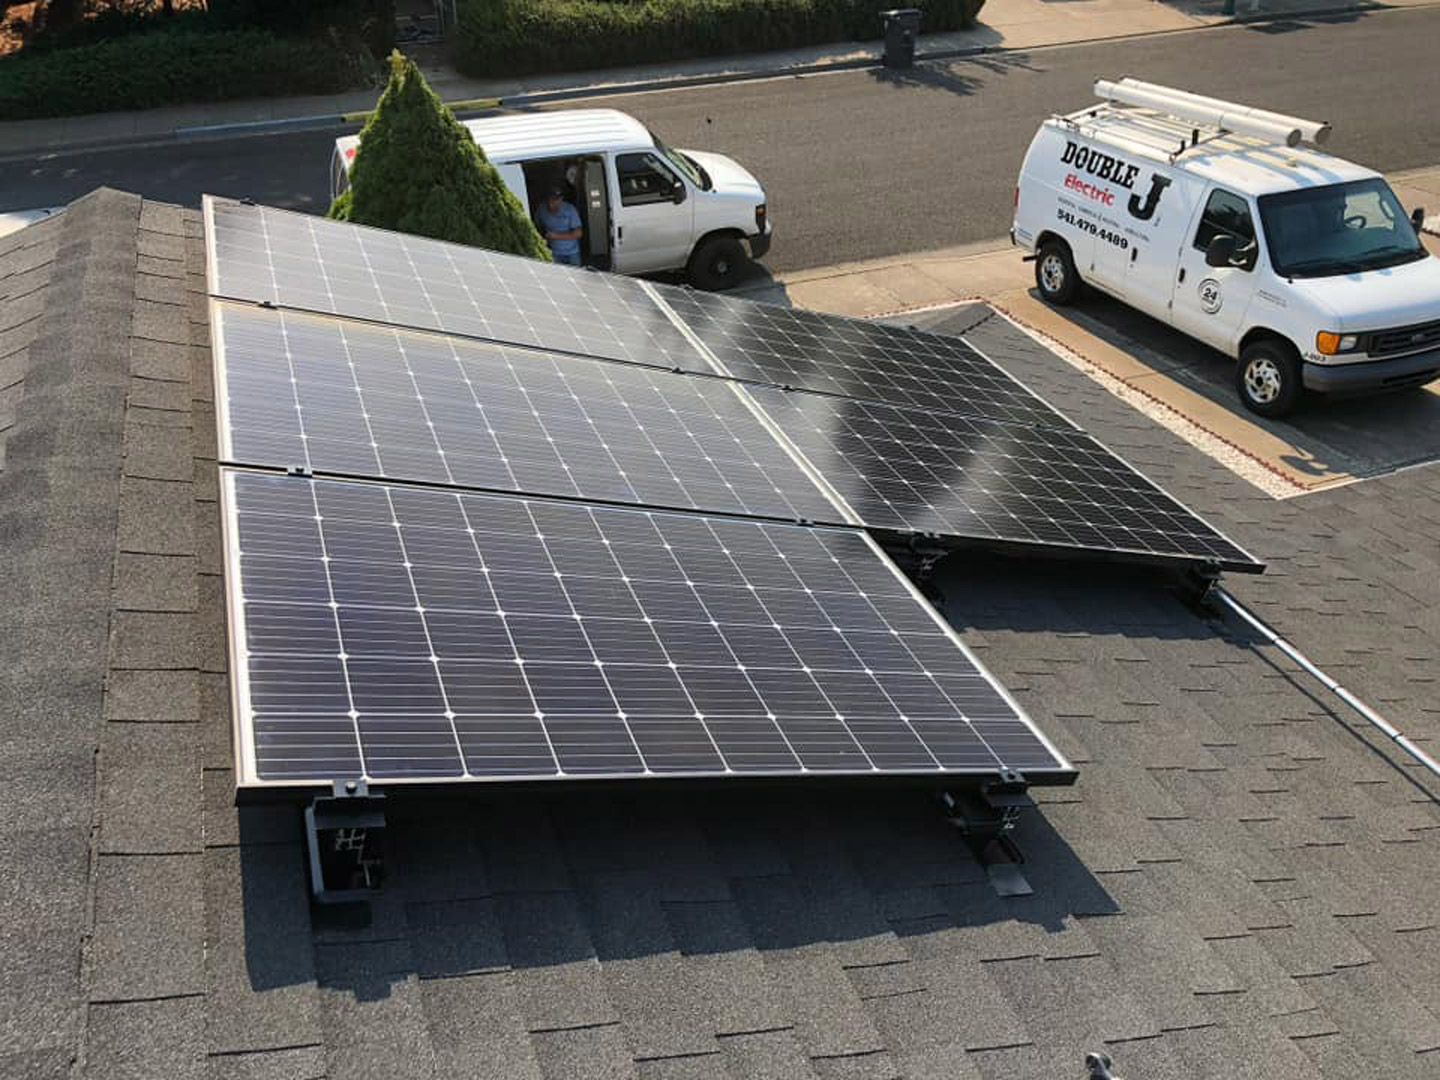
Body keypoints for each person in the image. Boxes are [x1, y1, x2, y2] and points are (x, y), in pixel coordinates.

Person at [536, 184, 583, 266]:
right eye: (550, 200)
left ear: (561, 199)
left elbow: (578, 233)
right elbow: (537, 226)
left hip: (572, 253)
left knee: (577, 275)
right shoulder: (541, 210)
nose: (552, 203)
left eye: (555, 200)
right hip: (553, 253)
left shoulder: (570, 210)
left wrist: (555, 236)